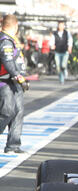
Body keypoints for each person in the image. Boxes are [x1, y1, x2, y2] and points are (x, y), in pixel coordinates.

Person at [0, 14, 26, 154]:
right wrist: (17, 75)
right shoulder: (5, 40)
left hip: (15, 80)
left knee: (18, 112)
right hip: (5, 81)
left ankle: (13, 145)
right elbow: (7, 60)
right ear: (15, 26)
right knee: (7, 111)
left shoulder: (12, 39)